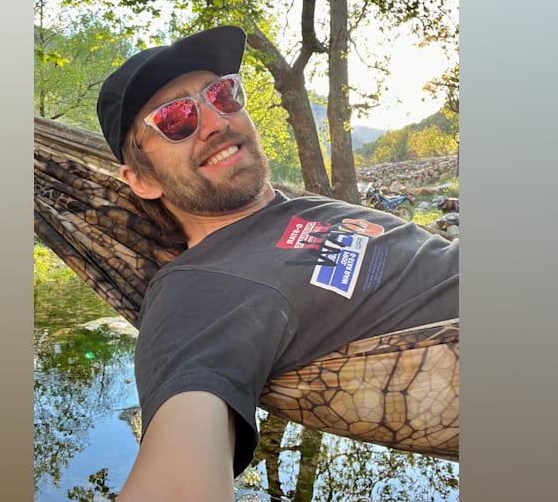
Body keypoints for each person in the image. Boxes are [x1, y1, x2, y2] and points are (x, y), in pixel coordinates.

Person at [95, 25, 458, 501]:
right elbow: (180, 463)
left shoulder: (299, 206)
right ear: (142, 180)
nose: (216, 121)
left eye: (222, 95)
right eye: (176, 118)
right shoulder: (199, 289)